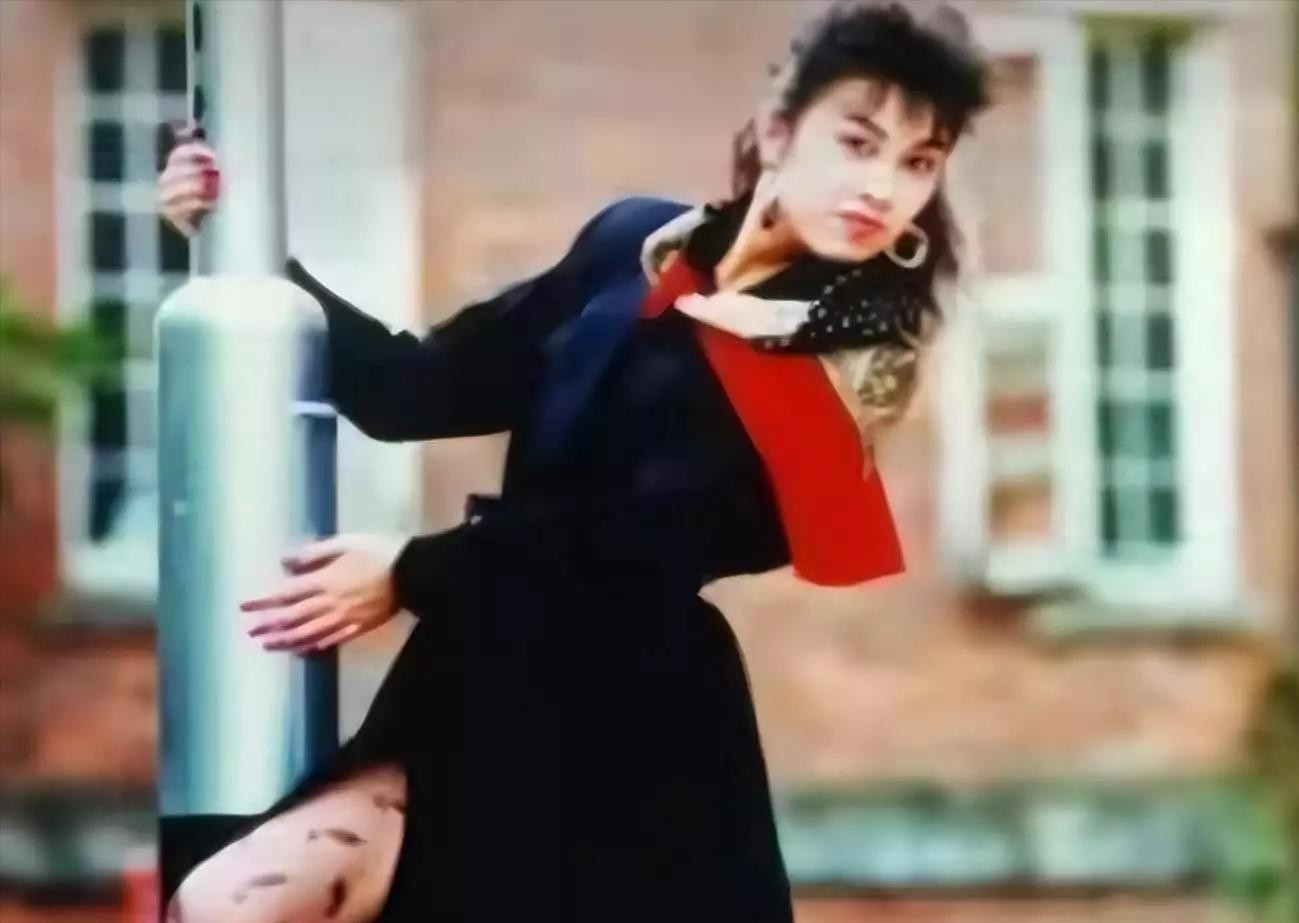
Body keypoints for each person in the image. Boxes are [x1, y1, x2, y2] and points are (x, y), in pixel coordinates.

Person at [155, 2, 988, 920]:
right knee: (223, 900)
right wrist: (242, 249)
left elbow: (636, 541)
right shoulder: (630, 248)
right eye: (859, 143)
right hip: (477, 689)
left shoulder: (843, 364)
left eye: (918, 162)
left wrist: (412, 569)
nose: (881, 185)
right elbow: (415, 391)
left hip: (635, 749)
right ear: (780, 131)